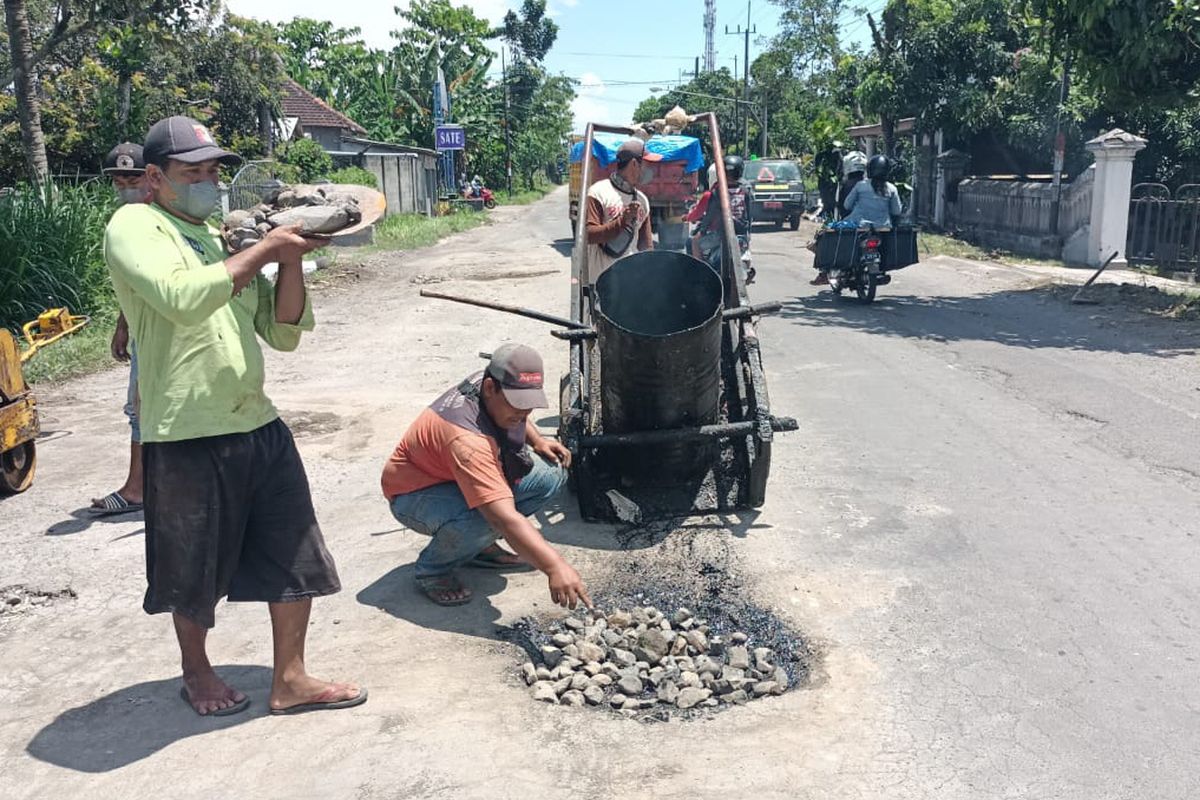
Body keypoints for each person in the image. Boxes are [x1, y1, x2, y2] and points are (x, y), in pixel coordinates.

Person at [104, 115, 365, 717]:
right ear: (153, 177)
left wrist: (291, 259)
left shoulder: (220, 237)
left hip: (257, 423)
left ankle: (291, 679)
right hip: (186, 429)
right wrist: (266, 250)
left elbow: (282, 332)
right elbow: (180, 299)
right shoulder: (136, 224)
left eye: (213, 170)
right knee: (190, 566)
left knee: (295, 549)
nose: (207, 181)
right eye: (191, 172)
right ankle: (197, 674)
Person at [382, 344, 591, 610]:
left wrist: (538, 440)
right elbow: (502, 517)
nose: (523, 414)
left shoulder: (486, 383)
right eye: (517, 405)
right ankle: (433, 571)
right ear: (491, 388)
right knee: (488, 518)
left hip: (452, 476)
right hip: (414, 494)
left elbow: (518, 414)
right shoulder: (467, 440)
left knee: (550, 473)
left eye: (528, 405)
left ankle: (476, 548)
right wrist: (555, 566)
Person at [90, 142, 151, 516]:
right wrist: (122, 324)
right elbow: (133, 283)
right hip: (142, 325)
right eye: (118, 180)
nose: (126, 186)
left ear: (153, 177)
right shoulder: (129, 222)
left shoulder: (159, 219)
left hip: (161, 329)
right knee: (142, 408)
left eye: (133, 177)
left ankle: (137, 489)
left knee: (143, 408)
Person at [585, 138, 661, 282]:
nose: (650, 169)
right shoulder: (598, 192)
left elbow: (646, 245)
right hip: (601, 284)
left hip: (629, 284)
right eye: (646, 164)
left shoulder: (642, 200)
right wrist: (622, 221)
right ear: (634, 164)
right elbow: (589, 235)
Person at [686, 154, 753, 275]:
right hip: (742, 234)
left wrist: (702, 231)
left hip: (722, 234)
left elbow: (710, 215)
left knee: (694, 242)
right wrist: (748, 233)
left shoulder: (718, 192)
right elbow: (749, 215)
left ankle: (700, 273)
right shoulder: (745, 191)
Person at [842, 154, 902, 227]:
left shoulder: (860, 185)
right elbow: (896, 211)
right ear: (887, 171)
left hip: (860, 225)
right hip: (883, 227)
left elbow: (847, 205)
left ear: (869, 169)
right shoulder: (892, 188)